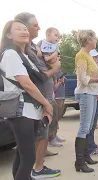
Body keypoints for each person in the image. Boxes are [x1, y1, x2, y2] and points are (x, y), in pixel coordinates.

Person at [0, 19, 54, 180]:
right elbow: (27, 84)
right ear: (9, 35)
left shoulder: (24, 55)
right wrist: (46, 104)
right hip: (21, 110)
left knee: (21, 155)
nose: (24, 31)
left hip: (31, 111)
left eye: (25, 29)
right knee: (29, 157)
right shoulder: (10, 54)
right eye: (18, 29)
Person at [15, 12, 62, 178]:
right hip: (38, 100)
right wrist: (54, 70)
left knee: (42, 136)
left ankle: (37, 168)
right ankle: (38, 169)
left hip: (43, 97)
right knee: (35, 141)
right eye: (35, 25)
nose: (39, 28)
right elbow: (37, 76)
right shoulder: (21, 51)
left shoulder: (34, 47)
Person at [74, 29, 98, 173]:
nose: (96, 40)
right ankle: (79, 162)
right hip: (86, 93)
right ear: (88, 40)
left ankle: (86, 156)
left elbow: (90, 74)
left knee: (88, 127)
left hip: (92, 93)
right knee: (84, 126)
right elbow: (83, 79)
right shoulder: (81, 55)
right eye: (94, 38)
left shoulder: (87, 55)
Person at [87, 49, 98, 156]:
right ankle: (89, 148)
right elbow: (89, 85)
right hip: (94, 98)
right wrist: (97, 96)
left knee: (93, 125)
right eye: (95, 57)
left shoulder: (97, 69)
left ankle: (92, 144)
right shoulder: (89, 70)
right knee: (90, 125)